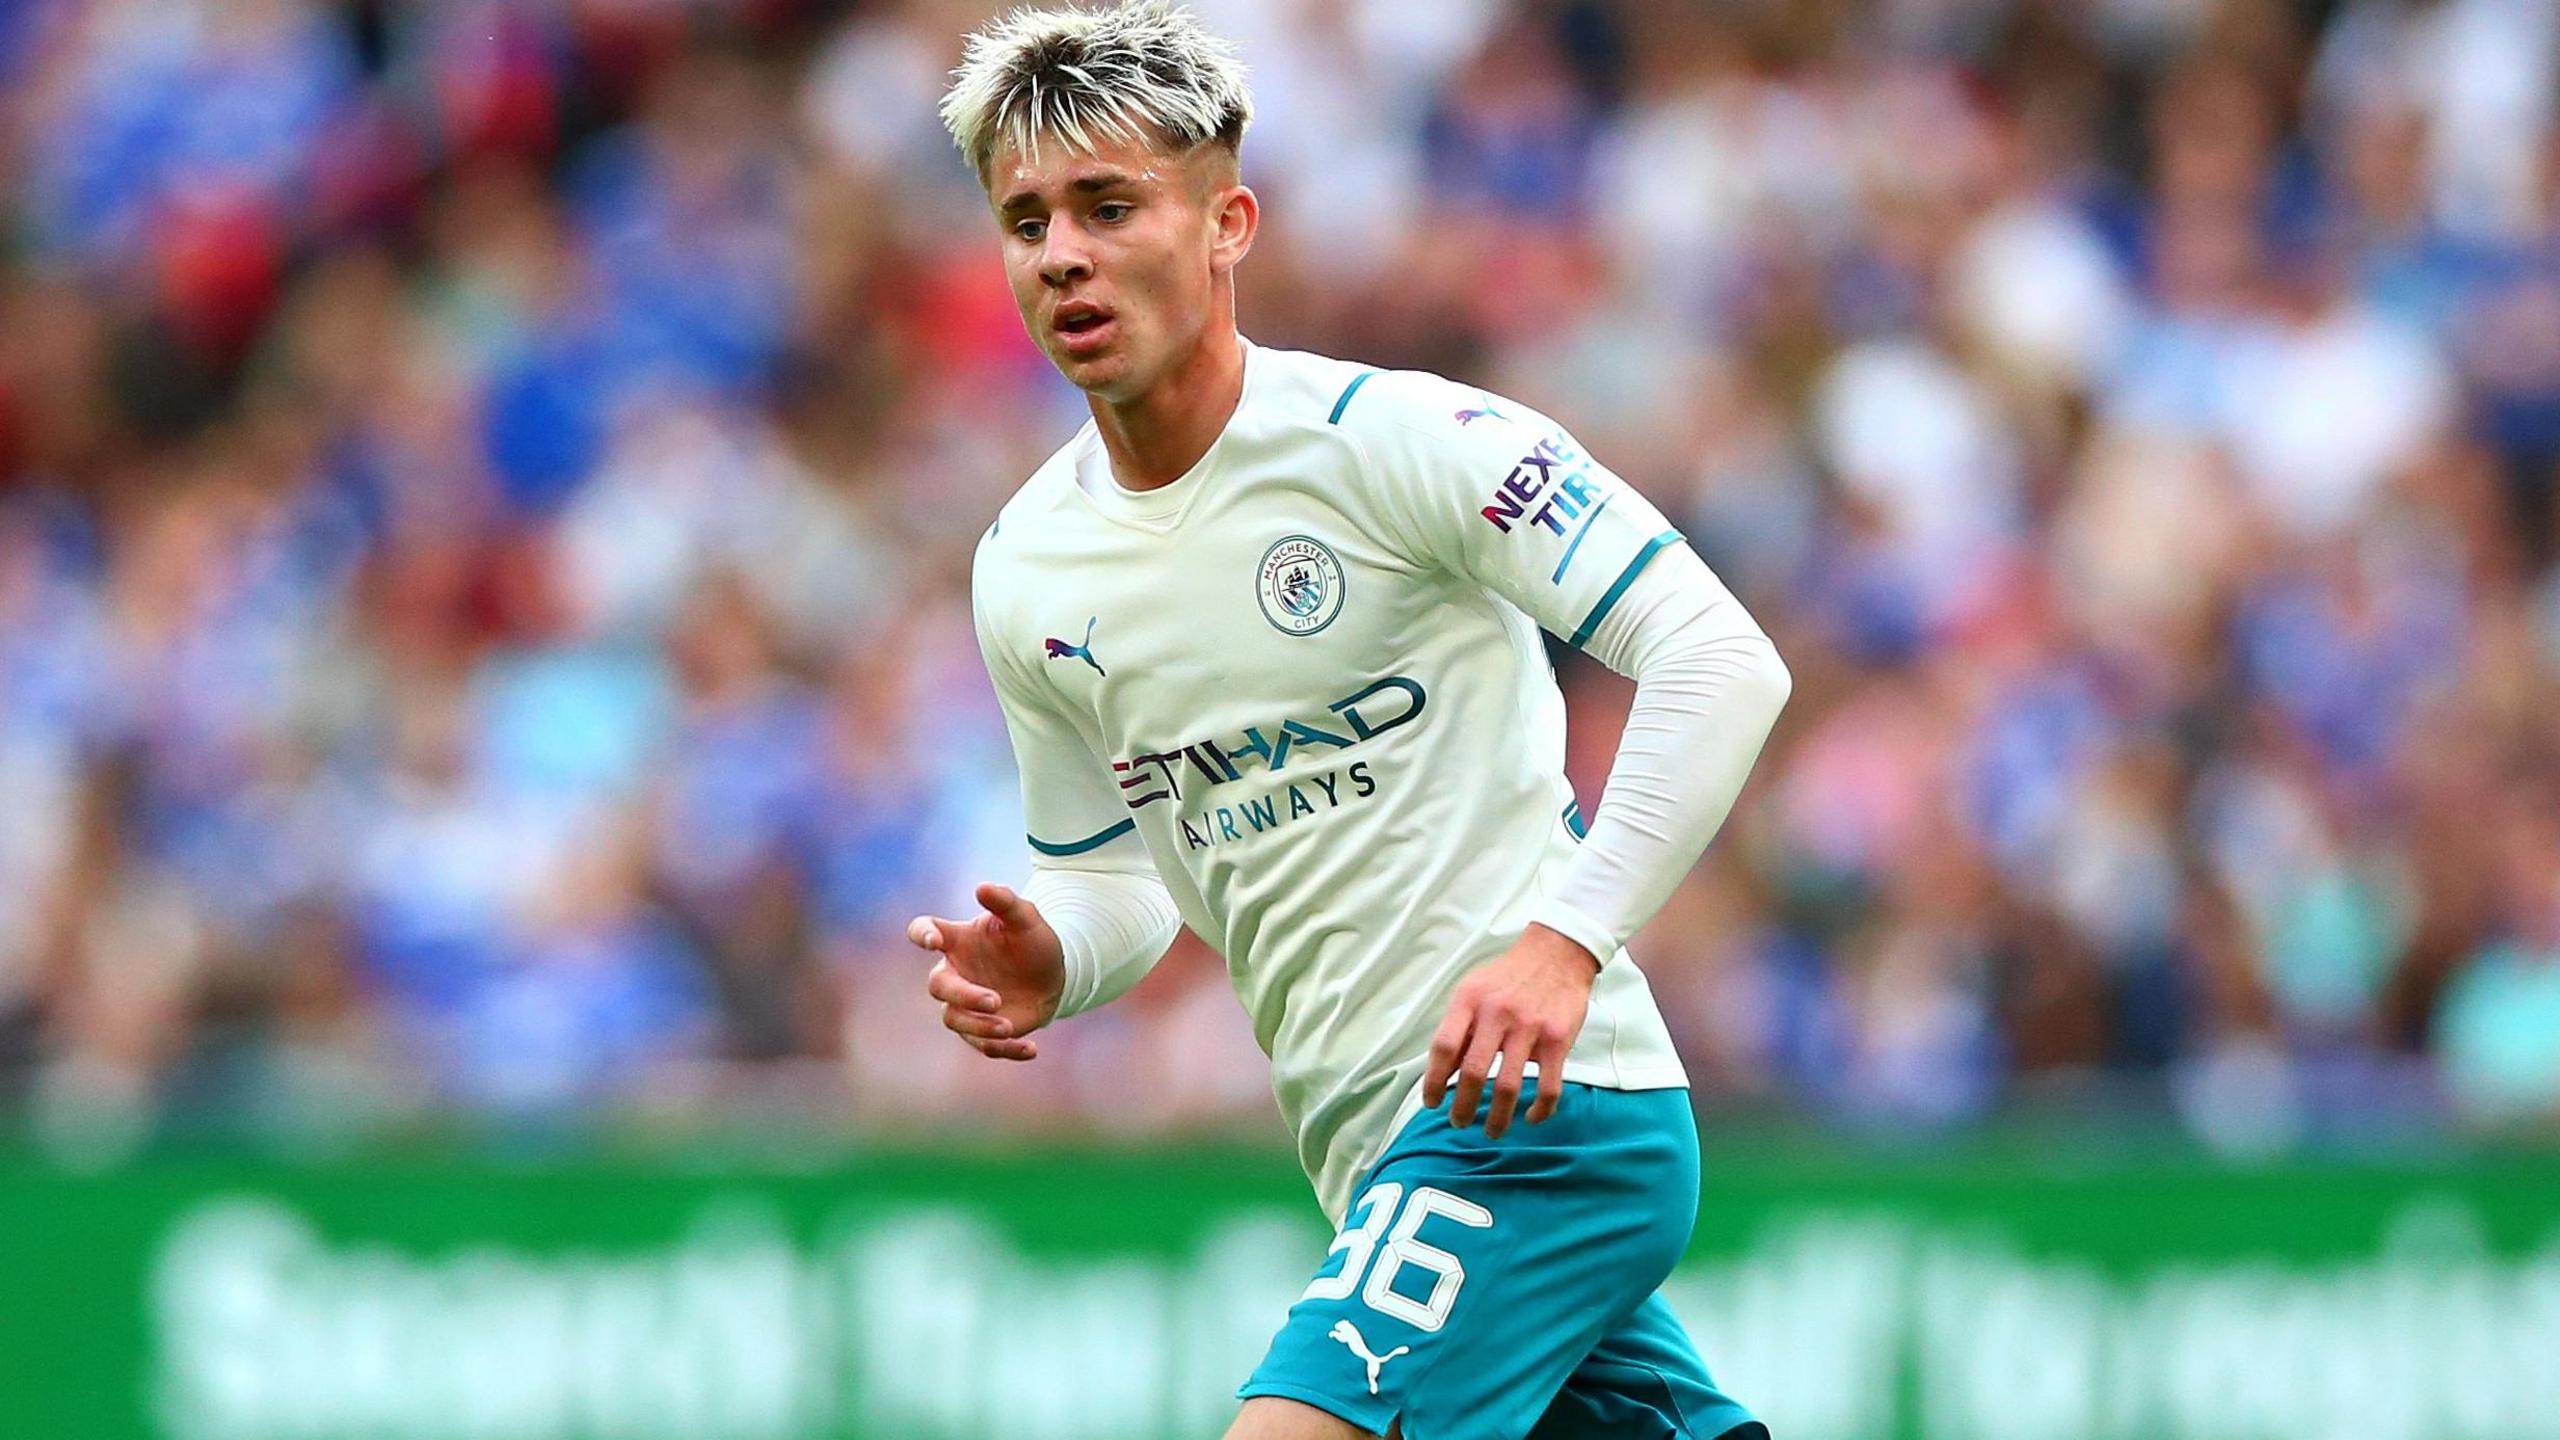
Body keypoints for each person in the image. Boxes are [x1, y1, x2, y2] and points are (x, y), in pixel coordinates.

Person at [908, 5, 1788, 1437]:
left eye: (1109, 205)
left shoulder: (1402, 446)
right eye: (1025, 219)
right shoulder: (1028, 570)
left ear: (1226, 224)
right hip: (1375, 1156)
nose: (1060, 251)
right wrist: (1057, 953)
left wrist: (1564, 945)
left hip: (1542, 1121)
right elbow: (1118, 874)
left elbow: (1719, 657)